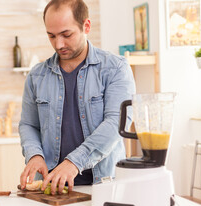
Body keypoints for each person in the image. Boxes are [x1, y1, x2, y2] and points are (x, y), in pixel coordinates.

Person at [19, 0, 136, 195]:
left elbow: (117, 122)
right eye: (51, 36)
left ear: (86, 26)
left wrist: (74, 162)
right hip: (50, 189)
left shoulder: (115, 68)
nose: (59, 44)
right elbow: (28, 124)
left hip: (104, 185)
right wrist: (35, 155)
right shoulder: (37, 75)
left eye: (66, 34)